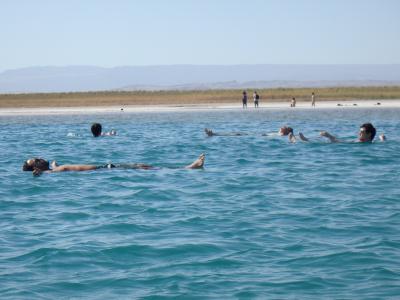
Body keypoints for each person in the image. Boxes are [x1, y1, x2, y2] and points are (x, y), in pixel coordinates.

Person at [23, 154, 206, 176]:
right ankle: (189, 168)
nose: (39, 158)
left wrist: (54, 165)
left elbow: (54, 166)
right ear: (37, 168)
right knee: (142, 166)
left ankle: (188, 168)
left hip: (104, 167)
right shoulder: (49, 172)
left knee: (142, 165)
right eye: (36, 160)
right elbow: (40, 173)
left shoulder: (54, 169)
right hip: (104, 170)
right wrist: (38, 173)